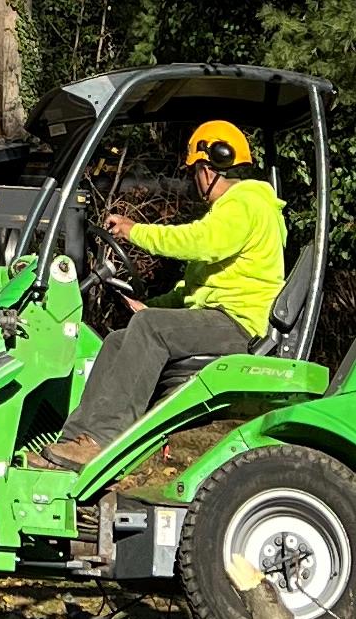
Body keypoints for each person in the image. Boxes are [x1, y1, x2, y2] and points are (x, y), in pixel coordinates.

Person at [44, 118, 288, 461]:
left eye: (194, 172)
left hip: (240, 325)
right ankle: (74, 440)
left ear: (207, 168)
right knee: (118, 340)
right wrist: (152, 304)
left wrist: (134, 231)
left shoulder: (246, 204)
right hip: (221, 318)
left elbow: (198, 242)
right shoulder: (235, 210)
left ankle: (101, 441)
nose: (194, 181)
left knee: (150, 327)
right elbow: (196, 288)